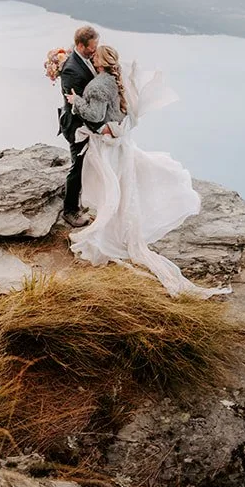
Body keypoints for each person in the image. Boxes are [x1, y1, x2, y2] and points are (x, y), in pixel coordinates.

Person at [64, 44, 228, 299]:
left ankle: (105, 234)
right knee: (120, 188)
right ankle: (117, 227)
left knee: (111, 191)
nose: (91, 56)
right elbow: (123, 115)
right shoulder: (116, 82)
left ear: (99, 62)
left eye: (94, 55)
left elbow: (95, 116)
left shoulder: (97, 86)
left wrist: (76, 102)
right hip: (121, 144)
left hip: (107, 147)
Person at [52, 24, 100, 228]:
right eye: (92, 47)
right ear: (81, 45)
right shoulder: (72, 70)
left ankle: (77, 199)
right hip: (76, 126)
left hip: (83, 123)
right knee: (77, 167)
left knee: (84, 165)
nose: (95, 50)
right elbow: (78, 104)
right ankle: (70, 210)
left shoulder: (82, 58)